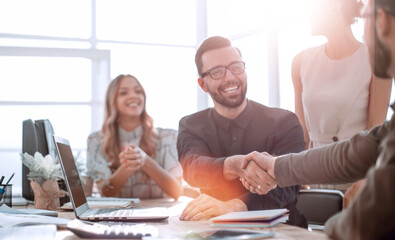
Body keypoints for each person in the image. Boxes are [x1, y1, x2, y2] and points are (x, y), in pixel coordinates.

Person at [240, 0, 395, 239]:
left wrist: (364, 186)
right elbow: (362, 147)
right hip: (316, 176)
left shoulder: (370, 61)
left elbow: (372, 147)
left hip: (359, 184)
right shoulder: (302, 61)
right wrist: (279, 168)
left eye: (366, 17)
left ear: (381, 22)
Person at [177, 36, 307, 227]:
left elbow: (288, 183)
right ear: (203, 84)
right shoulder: (191, 125)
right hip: (213, 231)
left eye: (236, 67)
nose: (230, 77)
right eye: (217, 72)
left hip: (282, 232)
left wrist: (235, 206)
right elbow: (193, 169)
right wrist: (233, 165)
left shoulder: (285, 122)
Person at [292, 0, 391, 194]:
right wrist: (298, 180)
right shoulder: (301, 62)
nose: (306, 15)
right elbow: (301, 132)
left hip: (357, 177)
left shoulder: (374, 60)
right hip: (315, 175)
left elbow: (375, 129)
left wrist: (365, 182)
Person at [86, 74, 183, 200]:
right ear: (112, 101)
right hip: (116, 216)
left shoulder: (169, 137)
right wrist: (129, 165)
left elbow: (176, 191)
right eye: (123, 93)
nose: (133, 96)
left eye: (138, 91)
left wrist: (145, 161)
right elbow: (105, 192)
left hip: (160, 215)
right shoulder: (96, 140)